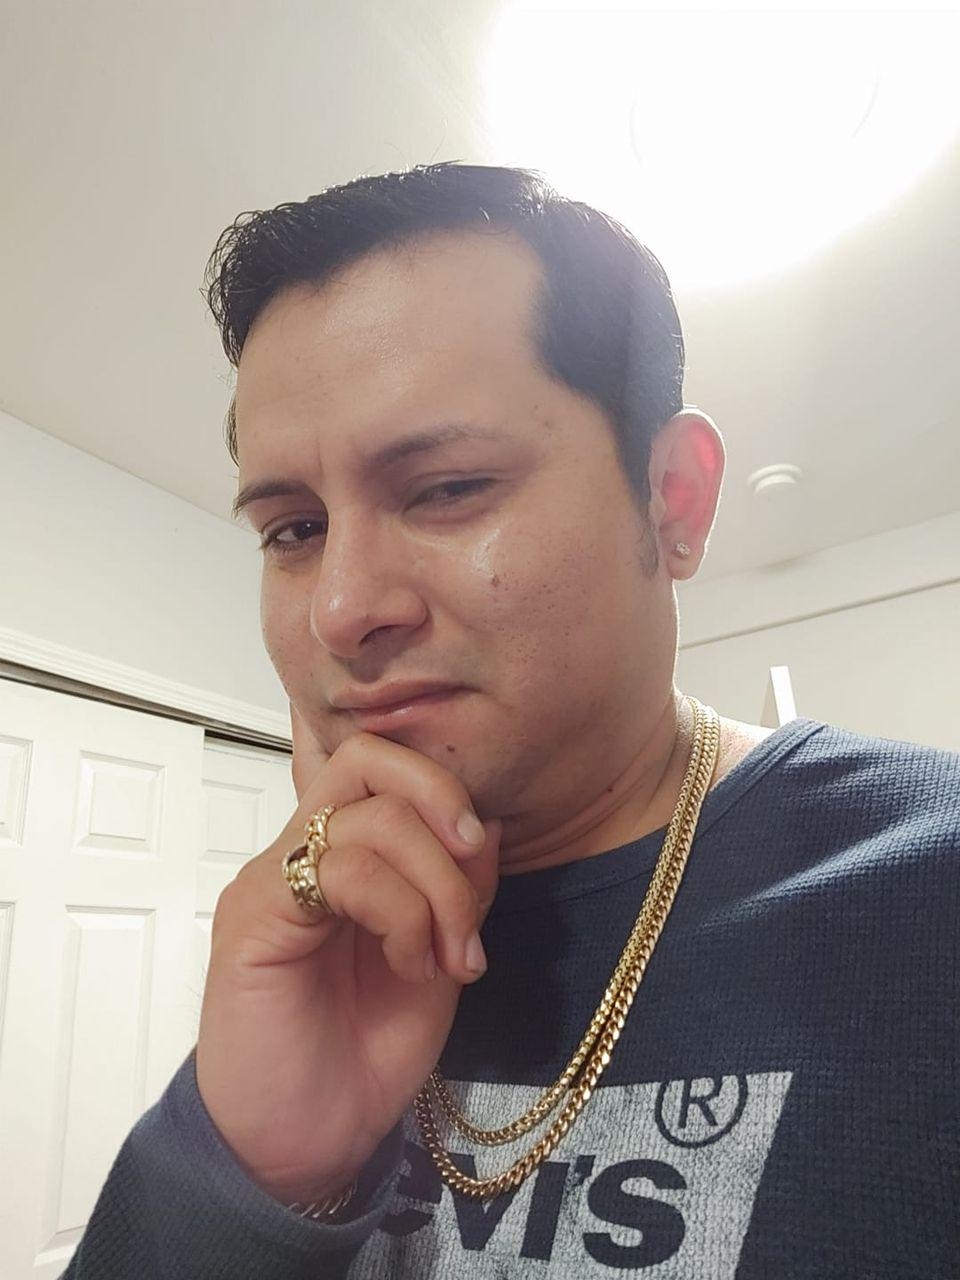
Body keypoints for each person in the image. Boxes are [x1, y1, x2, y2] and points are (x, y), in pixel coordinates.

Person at [63, 164, 958, 1279]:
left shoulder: (927, 889)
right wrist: (250, 1175)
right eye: (294, 528)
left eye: (445, 488)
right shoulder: (317, 949)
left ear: (672, 499)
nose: (341, 608)